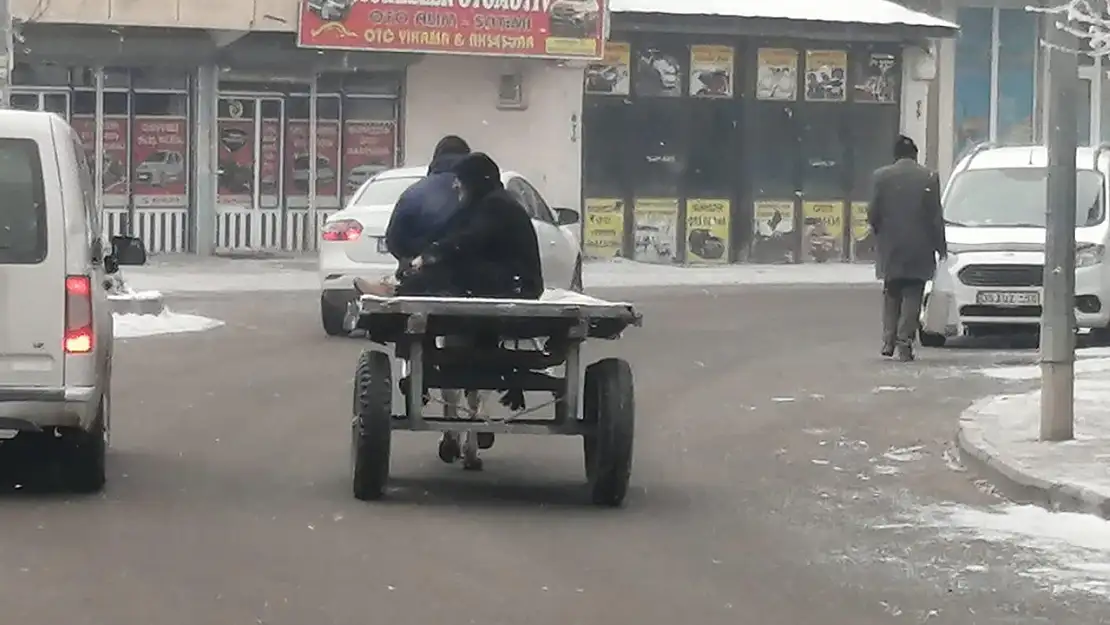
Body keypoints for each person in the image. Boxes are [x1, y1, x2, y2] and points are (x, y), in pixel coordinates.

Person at [398, 152, 544, 300]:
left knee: (446, 274)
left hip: (517, 285)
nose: (455, 186)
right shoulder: (476, 205)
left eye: (459, 180)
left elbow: (468, 240)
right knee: (435, 275)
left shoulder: (498, 205)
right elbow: (447, 233)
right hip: (503, 281)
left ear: (472, 183)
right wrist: (416, 258)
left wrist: (430, 257)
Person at [868, 135, 946, 362]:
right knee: (913, 293)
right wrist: (941, 247)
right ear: (915, 154)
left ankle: (887, 340)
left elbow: (873, 213)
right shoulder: (929, 178)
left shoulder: (881, 177)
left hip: (891, 245)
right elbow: (935, 217)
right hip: (919, 247)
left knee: (891, 291)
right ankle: (904, 343)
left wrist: (881, 234)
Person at [384, 135, 471, 266]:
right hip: (473, 275)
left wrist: (417, 257)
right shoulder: (480, 189)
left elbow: (395, 240)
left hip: (425, 275)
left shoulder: (413, 193)